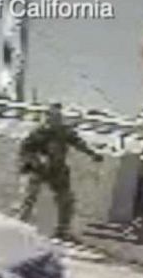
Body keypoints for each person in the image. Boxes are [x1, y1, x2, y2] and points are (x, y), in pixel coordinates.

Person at [16, 103, 104, 241]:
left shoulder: (64, 131)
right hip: (37, 170)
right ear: (46, 117)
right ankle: (18, 227)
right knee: (28, 198)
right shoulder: (38, 133)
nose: (54, 119)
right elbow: (25, 150)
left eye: (57, 116)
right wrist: (36, 162)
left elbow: (78, 142)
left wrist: (92, 154)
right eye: (51, 116)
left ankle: (63, 230)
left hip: (57, 170)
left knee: (66, 200)